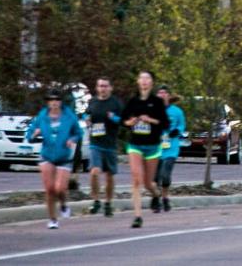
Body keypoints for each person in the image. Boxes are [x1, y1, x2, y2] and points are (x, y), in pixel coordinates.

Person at [25, 90, 82, 229]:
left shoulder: (69, 116)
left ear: (61, 102)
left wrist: (72, 139)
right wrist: (34, 133)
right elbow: (30, 133)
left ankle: (63, 204)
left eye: (57, 100)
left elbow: (78, 132)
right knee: (50, 189)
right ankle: (53, 219)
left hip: (64, 156)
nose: (54, 103)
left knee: (60, 189)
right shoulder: (42, 116)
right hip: (47, 155)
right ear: (48, 102)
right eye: (51, 100)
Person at [122, 71, 168, 229]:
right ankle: (137, 216)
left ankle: (156, 195)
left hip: (152, 146)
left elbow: (165, 123)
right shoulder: (133, 101)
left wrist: (150, 120)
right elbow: (123, 120)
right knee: (136, 179)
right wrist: (131, 122)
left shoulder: (157, 102)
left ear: (152, 83)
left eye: (147, 78)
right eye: (141, 78)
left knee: (148, 183)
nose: (144, 81)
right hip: (135, 144)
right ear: (137, 81)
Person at [84, 77, 124, 217]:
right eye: (100, 86)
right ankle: (96, 201)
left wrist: (113, 118)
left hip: (110, 144)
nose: (103, 88)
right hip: (95, 143)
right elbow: (86, 113)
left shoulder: (116, 103)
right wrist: (87, 119)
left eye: (105, 86)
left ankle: (108, 202)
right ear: (97, 88)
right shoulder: (93, 101)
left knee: (109, 176)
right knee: (94, 172)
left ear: (110, 88)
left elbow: (124, 121)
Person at [155, 86, 185, 213]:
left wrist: (176, 131)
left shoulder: (177, 111)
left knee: (165, 175)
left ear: (168, 95)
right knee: (155, 178)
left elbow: (182, 125)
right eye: (159, 93)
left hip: (171, 148)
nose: (162, 95)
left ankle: (165, 198)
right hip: (156, 148)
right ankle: (156, 200)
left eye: (164, 93)